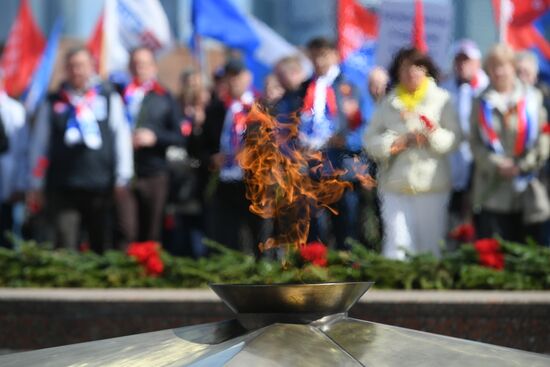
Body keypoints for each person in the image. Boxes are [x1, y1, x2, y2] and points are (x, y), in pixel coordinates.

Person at [28, 46, 133, 252]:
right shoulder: (53, 102)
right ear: (66, 69)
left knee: (100, 243)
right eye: (72, 66)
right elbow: (39, 145)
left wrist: (123, 176)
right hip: (63, 185)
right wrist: (35, 183)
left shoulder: (109, 98)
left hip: (100, 185)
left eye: (82, 65)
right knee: (65, 242)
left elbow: (121, 138)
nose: (77, 71)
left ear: (92, 67)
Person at [364, 47, 461, 260]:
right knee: (397, 245)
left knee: (430, 246)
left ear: (427, 70)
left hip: (431, 184)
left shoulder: (443, 99)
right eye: (406, 68)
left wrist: (432, 135)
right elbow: (370, 141)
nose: (412, 73)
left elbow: (454, 139)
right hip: (395, 184)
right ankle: (396, 290)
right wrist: (396, 142)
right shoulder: (388, 102)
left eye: (418, 67)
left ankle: (429, 290)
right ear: (397, 72)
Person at [470, 44, 549, 244]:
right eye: (493, 66)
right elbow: (474, 141)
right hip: (493, 189)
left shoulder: (533, 98)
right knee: (494, 255)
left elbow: (544, 136)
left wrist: (522, 165)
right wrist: (496, 164)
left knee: (528, 255)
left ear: (513, 67)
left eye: (503, 66)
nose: (498, 71)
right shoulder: (481, 101)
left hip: (527, 190)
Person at [299, 37, 365, 249]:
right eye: (315, 55)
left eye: (324, 54)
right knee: (314, 227)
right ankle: (316, 270)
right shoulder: (305, 88)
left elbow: (363, 124)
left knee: (347, 224)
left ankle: (348, 269)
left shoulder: (349, 85)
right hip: (313, 167)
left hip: (342, 165)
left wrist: (347, 140)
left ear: (335, 55)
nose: (319, 60)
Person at [115, 46, 184, 247]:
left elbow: (179, 136)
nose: (139, 68)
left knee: (152, 232)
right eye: (135, 64)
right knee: (127, 230)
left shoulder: (164, 96)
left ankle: (150, 274)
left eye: (144, 64)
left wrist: (154, 137)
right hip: (125, 174)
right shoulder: (119, 95)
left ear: (153, 67)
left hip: (154, 172)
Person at [197, 58, 266, 255]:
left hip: (253, 180)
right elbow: (203, 147)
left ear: (248, 77)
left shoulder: (260, 107)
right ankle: (232, 272)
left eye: (237, 76)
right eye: (229, 77)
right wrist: (211, 159)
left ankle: (262, 274)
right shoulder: (216, 110)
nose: (233, 81)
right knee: (227, 232)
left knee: (258, 232)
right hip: (225, 180)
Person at [441, 39, 489, 241]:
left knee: (477, 213)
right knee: (453, 215)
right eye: (459, 60)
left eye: (467, 60)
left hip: (478, 161)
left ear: (477, 63)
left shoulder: (487, 87)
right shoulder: (445, 88)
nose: (463, 65)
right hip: (452, 162)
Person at [0, 68, 27, 248]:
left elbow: (22, 151)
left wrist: (19, 184)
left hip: (7, 188)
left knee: (8, 236)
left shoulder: (14, 109)